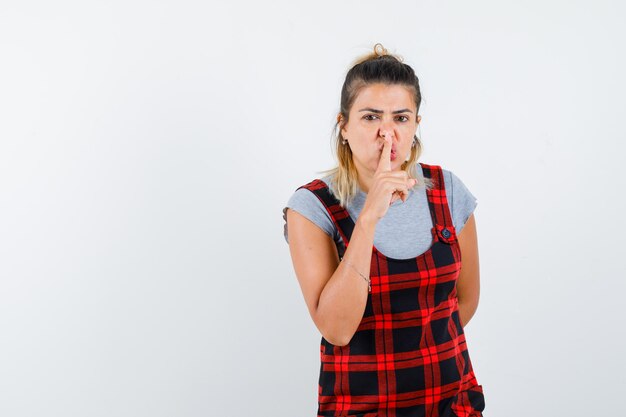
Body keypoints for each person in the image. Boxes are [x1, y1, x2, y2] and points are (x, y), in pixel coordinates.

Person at [282, 43, 486, 417]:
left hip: (451, 404)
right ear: (344, 126)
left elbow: (465, 302)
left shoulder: (448, 190)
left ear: (416, 126)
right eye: (371, 117)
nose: (386, 134)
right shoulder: (312, 208)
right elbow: (337, 329)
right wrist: (370, 216)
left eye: (401, 118)